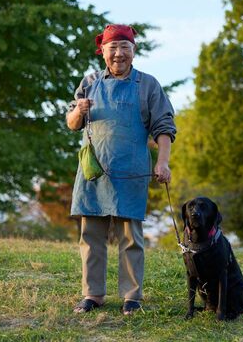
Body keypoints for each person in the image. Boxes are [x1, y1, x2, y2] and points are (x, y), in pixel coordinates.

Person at [66, 24, 177, 315]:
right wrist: (80, 110)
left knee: (131, 239)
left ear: (133, 51)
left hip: (132, 171)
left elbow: (164, 127)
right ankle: (93, 295)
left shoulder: (148, 85)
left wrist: (163, 162)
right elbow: (72, 123)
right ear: (102, 51)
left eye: (124, 47)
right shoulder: (89, 82)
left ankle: (132, 297)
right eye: (112, 48)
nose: (118, 54)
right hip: (94, 173)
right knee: (91, 237)